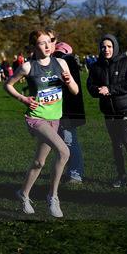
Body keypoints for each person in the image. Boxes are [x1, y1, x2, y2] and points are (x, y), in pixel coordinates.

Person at [4, 29, 78, 218]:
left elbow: (75, 91)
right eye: (42, 43)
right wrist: (23, 99)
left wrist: (69, 82)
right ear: (33, 46)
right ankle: (53, 197)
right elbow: (8, 85)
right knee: (64, 151)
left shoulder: (61, 63)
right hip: (36, 118)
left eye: (49, 42)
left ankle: (23, 193)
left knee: (39, 162)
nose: (47, 46)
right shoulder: (28, 67)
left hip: (55, 118)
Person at [87, 34, 127, 188]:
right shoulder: (95, 66)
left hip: (126, 108)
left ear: (114, 47)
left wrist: (111, 89)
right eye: (103, 46)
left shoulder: (125, 62)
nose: (106, 49)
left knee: (126, 139)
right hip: (108, 111)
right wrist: (98, 90)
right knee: (116, 144)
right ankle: (121, 176)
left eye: (109, 46)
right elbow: (90, 87)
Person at [53, 42, 87, 184]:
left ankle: (75, 173)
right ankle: (71, 171)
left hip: (66, 109)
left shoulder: (64, 60)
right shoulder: (68, 60)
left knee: (69, 141)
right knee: (66, 141)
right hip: (68, 108)